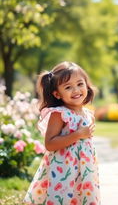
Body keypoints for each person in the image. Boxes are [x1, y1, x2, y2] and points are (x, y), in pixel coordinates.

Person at [24, 61, 100, 205]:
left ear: (86, 85)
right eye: (68, 87)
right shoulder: (59, 114)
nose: (76, 90)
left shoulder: (88, 113)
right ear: (57, 94)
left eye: (80, 84)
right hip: (64, 170)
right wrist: (78, 134)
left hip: (85, 170)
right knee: (63, 199)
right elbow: (50, 144)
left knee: (83, 198)